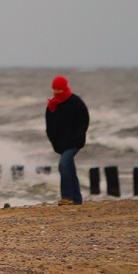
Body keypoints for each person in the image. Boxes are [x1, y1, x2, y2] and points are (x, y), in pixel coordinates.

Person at [45, 75, 90, 205]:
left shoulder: (76, 102)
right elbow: (49, 127)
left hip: (75, 142)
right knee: (70, 168)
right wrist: (55, 142)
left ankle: (67, 197)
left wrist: (76, 137)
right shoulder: (52, 105)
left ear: (65, 88)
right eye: (54, 89)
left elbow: (84, 122)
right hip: (61, 144)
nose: (56, 92)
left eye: (59, 89)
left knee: (63, 165)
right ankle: (77, 199)